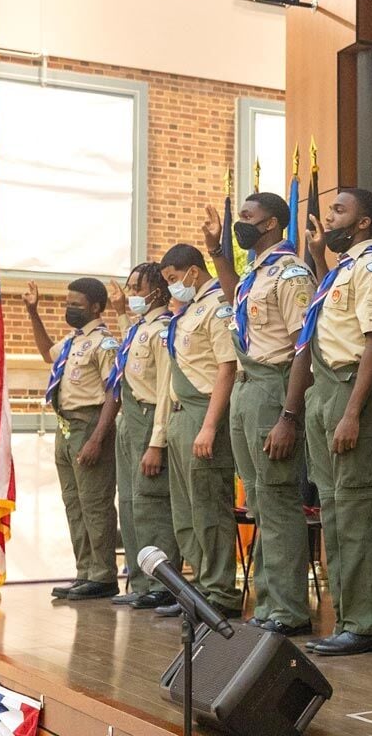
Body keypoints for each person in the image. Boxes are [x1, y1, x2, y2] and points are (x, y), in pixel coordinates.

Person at [285, 188, 372, 656]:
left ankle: (368, 623)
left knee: (354, 514)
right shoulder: (343, 271)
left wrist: (353, 411)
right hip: (325, 390)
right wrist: (316, 258)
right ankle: (350, 618)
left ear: (365, 223)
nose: (327, 216)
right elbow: (331, 323)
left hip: (353, 391)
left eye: (339, 211)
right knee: (334, 513)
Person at [214, 192, 315, 636]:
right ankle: (269, 603)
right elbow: (234, 297)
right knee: (259, 503)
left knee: (278, 504)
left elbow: (302, 346)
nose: (242, 224)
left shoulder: (291, 273)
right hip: (246, 390)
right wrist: (218, 253)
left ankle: (288, 610)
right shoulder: (258, 273)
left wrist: (290, 415)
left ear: (272, 224)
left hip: (274, 390)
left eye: (248, 218)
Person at [157, 242, 242, 619]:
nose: (173, 287)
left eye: (175, 279)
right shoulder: (189, 311)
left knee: (209, 508)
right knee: (186, 513)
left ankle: (220, 591)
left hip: (203, 414)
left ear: (193, 271)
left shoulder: (217, 307)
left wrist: (209, 426)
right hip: (178, 417)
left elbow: (227, 367)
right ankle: (200, 590)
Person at [25, 277, 122, 601]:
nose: (69, 309)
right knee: (74, 503)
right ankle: (85, 572)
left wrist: (97, 438)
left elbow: (114, 392)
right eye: (68, 304)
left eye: (76, 305)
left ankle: (104, 574)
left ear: (95, 306)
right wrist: (33, 312)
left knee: (95, 504)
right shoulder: (73, 340)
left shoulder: (103, 343)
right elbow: (45, 354)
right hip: (65, 428)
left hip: (89, 425)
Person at [103, 264, 178, 609]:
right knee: (131, 504)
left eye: (138, 287)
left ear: (158, 293)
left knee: (152, 505)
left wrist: (156, 442)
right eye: (130, 286)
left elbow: (164, 389)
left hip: (149, 419)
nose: (132, 293)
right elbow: (130, 364)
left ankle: (162, 583)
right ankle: (139, 579)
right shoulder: (139, 329)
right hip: (129, 419)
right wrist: (120, 311)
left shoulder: (163, 331)